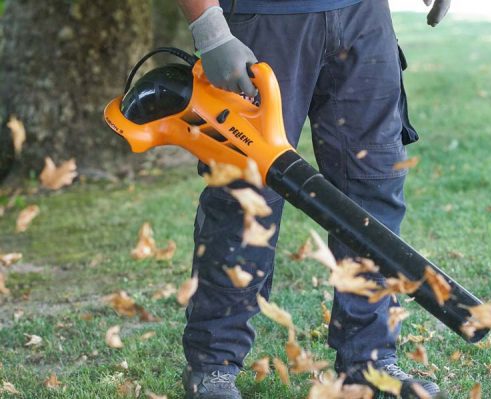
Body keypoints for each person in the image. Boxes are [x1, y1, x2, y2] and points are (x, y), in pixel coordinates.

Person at [176, 1, 451, 398]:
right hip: (264, 19)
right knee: (245, 195)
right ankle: (213, 366)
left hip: (362, 17)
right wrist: (210, 29)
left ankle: (369, 363)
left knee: (371, 187)